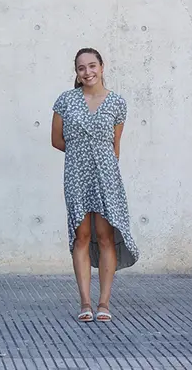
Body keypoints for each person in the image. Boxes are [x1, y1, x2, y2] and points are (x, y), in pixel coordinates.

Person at [51, 48, 139, 322]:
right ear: (76, 72)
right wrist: (82, 155)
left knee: (105, 236)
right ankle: (85, 302)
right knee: (81, 235)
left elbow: (115, 146)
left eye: (92, 66)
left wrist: (98, 160)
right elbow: (56, 140)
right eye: (81, 68)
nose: (87, 72)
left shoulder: (117, 103)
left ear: (102, 66)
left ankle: (104, 302)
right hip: (76, 174)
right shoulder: (65, 101)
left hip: (106, 175)